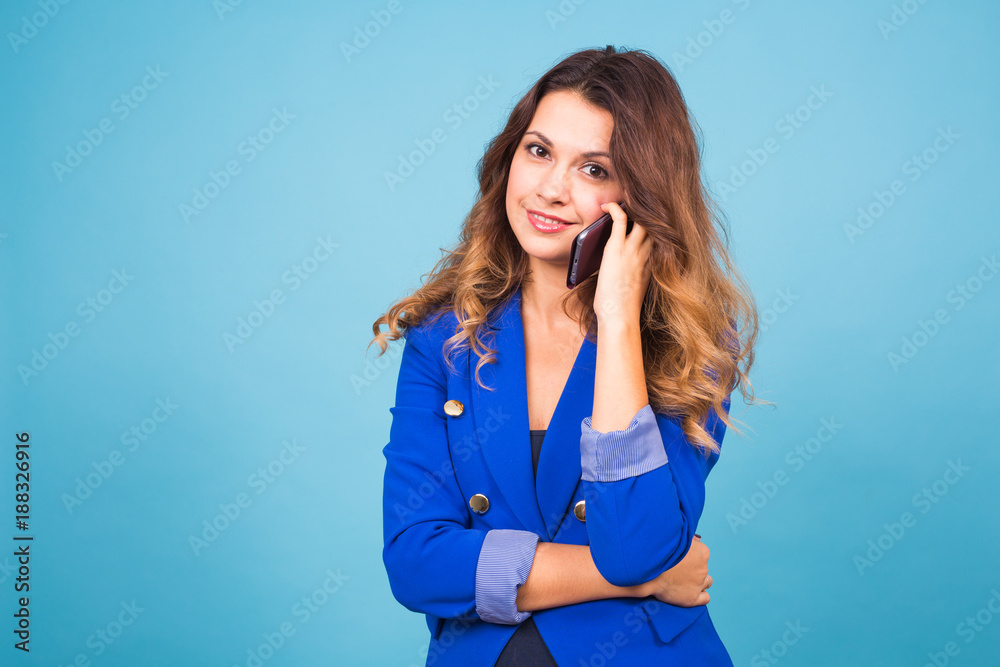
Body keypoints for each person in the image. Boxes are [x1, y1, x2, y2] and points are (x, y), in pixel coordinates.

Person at [370, 45, 762, 666]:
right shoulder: (442, 339)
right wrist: (645, 579)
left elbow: (634, 544)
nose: (551, 189)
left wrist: (618, 325)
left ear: (642, 195)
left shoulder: (690, 344)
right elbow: (417, 565)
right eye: (540, 151)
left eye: (594, 169)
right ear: (510, 159)